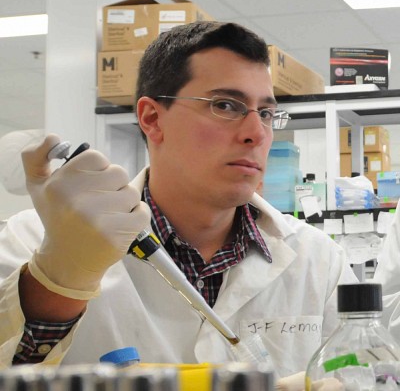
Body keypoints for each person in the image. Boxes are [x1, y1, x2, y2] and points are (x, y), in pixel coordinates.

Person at [0, 21, 358, 379]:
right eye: (225, 105)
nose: (256, 133)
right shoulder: (35, 241)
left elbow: (360, 368)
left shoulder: (320, 261)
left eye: (265, 113)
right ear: (153, 119)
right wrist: (60, 281)